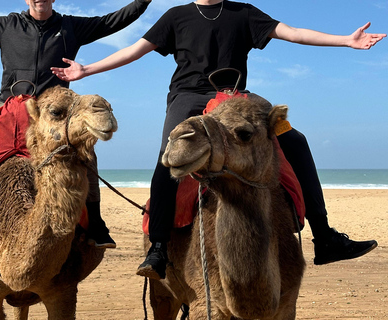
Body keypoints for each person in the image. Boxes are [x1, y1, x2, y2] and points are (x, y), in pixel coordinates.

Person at [51, 0, 386, 279]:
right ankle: (159, 248)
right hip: (188, 97)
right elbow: (135, 51)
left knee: (294, 140)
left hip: (237, 97)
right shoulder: (176, 16)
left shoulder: (243, 13)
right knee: (169, 156)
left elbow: (294, 33)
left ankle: (325, 237)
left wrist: (346, 40)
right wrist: (87, 70)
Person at [0, 0, 153, 255]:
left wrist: (143, 2)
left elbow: (113, 21)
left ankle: (96, 224)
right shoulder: (6, 25)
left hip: (54, 111)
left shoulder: (70, 27)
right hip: (9, 105)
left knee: (87, 155)